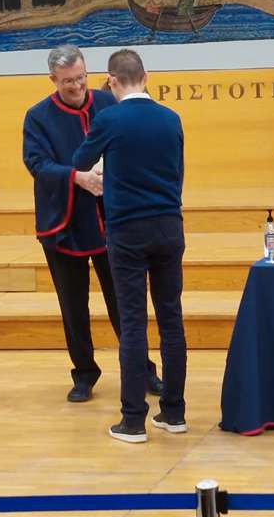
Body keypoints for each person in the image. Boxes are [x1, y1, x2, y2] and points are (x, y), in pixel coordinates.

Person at [23, 45, 161, 403]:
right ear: (53, 80)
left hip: (111, 219)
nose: (77, 86)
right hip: (64, 222)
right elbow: (37, 164)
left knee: (125, 303)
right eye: (68, 81)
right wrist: (76, 177)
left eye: (81, 78)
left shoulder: (108, 103)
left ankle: (142, 370)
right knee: (73, 307)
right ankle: (84, 373)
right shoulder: (37, 116)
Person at [73, 49, 186, 444]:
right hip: (169, 224)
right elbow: (176, 171)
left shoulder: (109, 119)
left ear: (111, 81)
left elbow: (81, 160)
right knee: (171, 319)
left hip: (127, 229)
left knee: (134, 321)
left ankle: (133, 419)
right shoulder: (171, 118)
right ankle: (174, 412)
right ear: (146, 77)